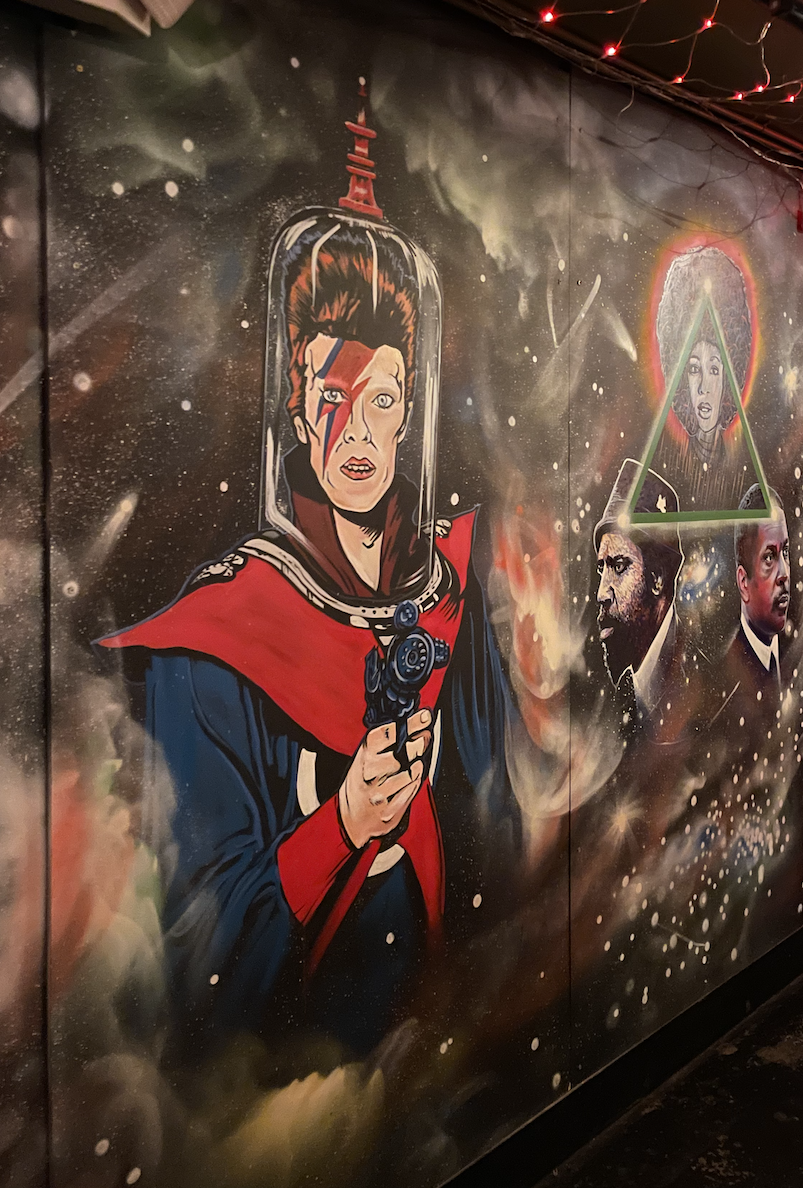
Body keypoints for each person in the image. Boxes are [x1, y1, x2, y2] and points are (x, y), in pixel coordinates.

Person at [101, 86, 518, 1059]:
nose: (359, 433)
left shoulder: (447, 594)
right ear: (294, 404)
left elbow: (500, 819)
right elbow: (204, 966)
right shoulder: (215, 642)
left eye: (383, 400)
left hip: (434, 1059)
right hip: (281, 1089)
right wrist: (345, 821)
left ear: (409, 413)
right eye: (334, 396)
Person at [654, 245, 756, 514]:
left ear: (729, 377)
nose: (703, 387)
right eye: (693, 369)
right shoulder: (669, 475)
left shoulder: (741, 475)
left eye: (714, 369)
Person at [594, 459, 686, 730]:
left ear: (657, 578)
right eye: (601, 569)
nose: (601, 593)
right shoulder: (624, 698)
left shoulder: (696, 681)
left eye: (618, 566)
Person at [718, 485, 789, 724]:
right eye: (769, 557)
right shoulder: (725, 688)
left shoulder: (799, 656)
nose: (784, 574)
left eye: (785, 552)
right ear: (743, 583)